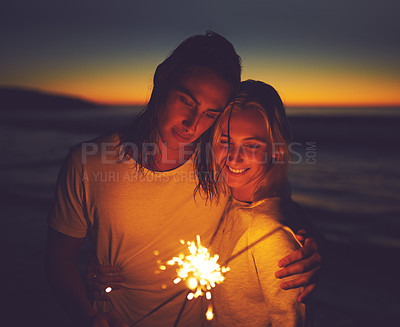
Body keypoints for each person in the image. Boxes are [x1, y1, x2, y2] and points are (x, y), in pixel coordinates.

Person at [45, 32, 321, 327]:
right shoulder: (88, 162)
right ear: (162, 78)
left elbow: (270, 200)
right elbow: (59, 259)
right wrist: (86, 316)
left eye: (210, 114)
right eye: (188, 101)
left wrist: (309, 245)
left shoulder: (219, 162)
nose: (192, 124)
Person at [204, 80, 313, 326]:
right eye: (225, 141)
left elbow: (291, 320)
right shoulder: (225, 202)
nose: (233, 156)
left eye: (252, 145)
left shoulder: (269, 234)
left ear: (276, 150)